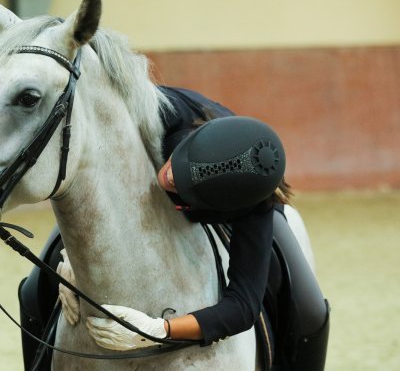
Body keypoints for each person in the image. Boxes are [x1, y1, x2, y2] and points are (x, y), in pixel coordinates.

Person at [19, 86, 330, 371]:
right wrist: (74, 259)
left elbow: (243, 306)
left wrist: (159, 330)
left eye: (182, 189)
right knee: (34, 291)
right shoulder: (161, 110)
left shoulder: (252, 208)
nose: (168, 179)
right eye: (175, 167)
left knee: (310, 311)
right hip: (127, 191)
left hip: (244, 206)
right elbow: (86, 173)